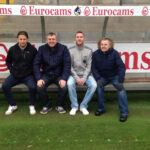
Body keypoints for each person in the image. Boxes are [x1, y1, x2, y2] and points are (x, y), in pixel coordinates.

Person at [92, 37, 129, 122]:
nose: (103, 46)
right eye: (102, 44)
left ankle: (124, 113)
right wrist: (98, 78)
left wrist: (120, 80)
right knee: (98, 87)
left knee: (121, 90)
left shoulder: (115, 53)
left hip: (114, 76)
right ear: (99, 45)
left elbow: (121, 67)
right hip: (102, 77)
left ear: (110, 45)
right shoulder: (95, 54)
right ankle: (101, 108)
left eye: (105, 44)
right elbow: (93, 68)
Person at [33, 32, 71, 114]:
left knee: (64, 87)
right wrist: (39, 78)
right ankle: (47, 105)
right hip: (46, 74)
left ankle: (59, 105)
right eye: (49, 39)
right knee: (39, 86)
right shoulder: (41, 49)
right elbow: (36, 64)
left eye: (53, 39)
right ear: (46, 40)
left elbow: (67, 64)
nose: (51, 41)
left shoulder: (63, 48)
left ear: (56, 40)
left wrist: (64, 78)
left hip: (59, 75)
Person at [2, 31, 37, 115]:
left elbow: (36, 63)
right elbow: (8, 61)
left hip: (28, 75)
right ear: (17, 39)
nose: (22, 41)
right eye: (20, 39)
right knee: (5, 86)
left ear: (27, 39)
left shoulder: (32, 50)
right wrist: (12, 70)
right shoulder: (12, 49)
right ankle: (13, 105)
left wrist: (32, 72)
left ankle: (31, 105)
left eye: (24, 39)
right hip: (15, 75)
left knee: (32, 87)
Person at [67, 31, 97, 116]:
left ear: (84, 39)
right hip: (73, 75)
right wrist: (76, 78)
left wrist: (84, 78)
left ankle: (83, 106)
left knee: (94, 85)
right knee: (69, 84)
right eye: (77, 37)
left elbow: (89, 67)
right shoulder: (70, 50)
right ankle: (74, 106)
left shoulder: (89, 50)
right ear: (75, 39)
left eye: (81, 37)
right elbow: (70, 67)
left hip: (86, 75)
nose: (79, 38)